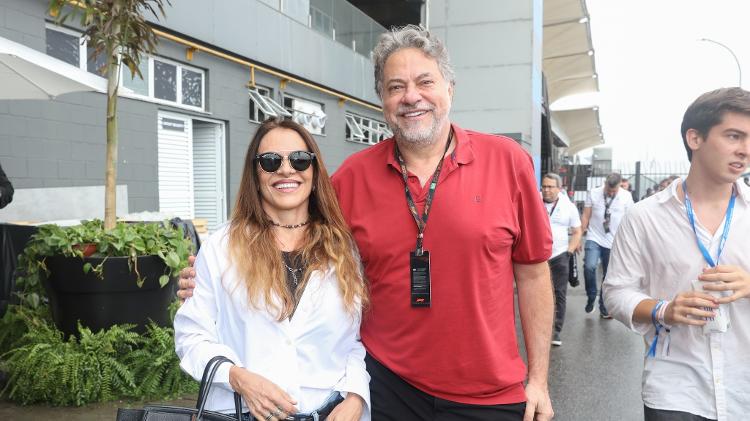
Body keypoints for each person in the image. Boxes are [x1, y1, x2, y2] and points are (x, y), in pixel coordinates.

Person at [180, 25, 554, 421]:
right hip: (390, 390)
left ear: (450, 88)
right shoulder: (352, 179)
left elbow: (533, 273)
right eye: (396, 87)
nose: (411, 96)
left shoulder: (508, 162)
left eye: (424, 81)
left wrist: (539, 380)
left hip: (489, 396)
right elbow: (287, 231)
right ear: (382, 100)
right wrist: (204, 277)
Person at [174, 119, 370, 421]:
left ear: (314, 170)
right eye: (270, 161)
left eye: (299, 159)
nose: (286, 169)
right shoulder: (221, 247)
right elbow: (191, 336)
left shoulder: (341, 249)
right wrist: (238, 377)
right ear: (255, 172)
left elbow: (353, 342)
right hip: (242, 413)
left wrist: (356, 396)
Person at [603, 87, 750, 421]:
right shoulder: (644, 216)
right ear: (694, 138)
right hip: (676, 389)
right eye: (733, 136)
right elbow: (615, 293)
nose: (745, 150)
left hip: (744, 388)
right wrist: (663, 310)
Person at [580, 172, 633, 318]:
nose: (610, 193)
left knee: (607, 275)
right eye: (608, 190)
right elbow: (586, 215)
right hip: (594, 237)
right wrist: (579, 237)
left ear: (619, 186)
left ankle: (604, 306)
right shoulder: (594, 193)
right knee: (589, 267)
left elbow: (630, 220)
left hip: (614, 241)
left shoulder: (626, 196)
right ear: (604, 184)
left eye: (613, 191)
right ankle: (591, 296)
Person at [541, 173, 582, 347]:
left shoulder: (568, 206)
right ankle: (540, 328)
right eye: (544, 186)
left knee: (559, 294)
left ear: (559, 188)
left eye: (551, 187)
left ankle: (556, 330)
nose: (546, 190)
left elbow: (577, 231)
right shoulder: (534, 200)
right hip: (538, 257)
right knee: (539, 295)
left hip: (559, 256)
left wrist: (569, 252)